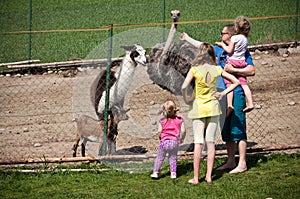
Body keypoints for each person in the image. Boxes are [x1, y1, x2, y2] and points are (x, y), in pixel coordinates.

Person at [180, 23, 255, 174]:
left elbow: (251, 70)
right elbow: (203, 46)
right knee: (226, 128)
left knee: (238, 127)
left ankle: (242, 162)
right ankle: (230, 161)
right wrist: (187, 38)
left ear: (231, 35)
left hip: (237, 92)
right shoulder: (219, 49)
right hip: (220, 94)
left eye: (223, 33)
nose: (221, 35)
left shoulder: (241, 52)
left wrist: (233, 69)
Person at [181, 42, 240, 184]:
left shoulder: (194, 70)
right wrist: (223, 94)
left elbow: (184, 86)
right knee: (211, 142)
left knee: (198, 143)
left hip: (198, 108)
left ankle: (196, 177)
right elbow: (235, 81)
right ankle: (208, 176)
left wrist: (188, 99)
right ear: (212, 54)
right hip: (213, 107)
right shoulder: (217, 69)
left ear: (199, 54)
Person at [215, 16, 254, 116]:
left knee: (230, 84)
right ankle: (250, 103)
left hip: (232, 62)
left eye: (222, 33)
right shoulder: (245, 39)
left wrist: (222, 45)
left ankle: (229, 105)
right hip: (241, 62)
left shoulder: (235, 38)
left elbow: (229, 50)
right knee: (244, 84)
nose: (221, 35)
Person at [150, 99, 186, 179]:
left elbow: (159, 132)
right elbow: (183, 131)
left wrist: (161, 138)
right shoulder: (180, 120)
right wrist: (181, 139)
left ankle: (155, 172)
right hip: (174, 142)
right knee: (173, 157)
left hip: (164, 142)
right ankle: (173, 173)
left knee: (160, 157)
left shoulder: (162, 121)